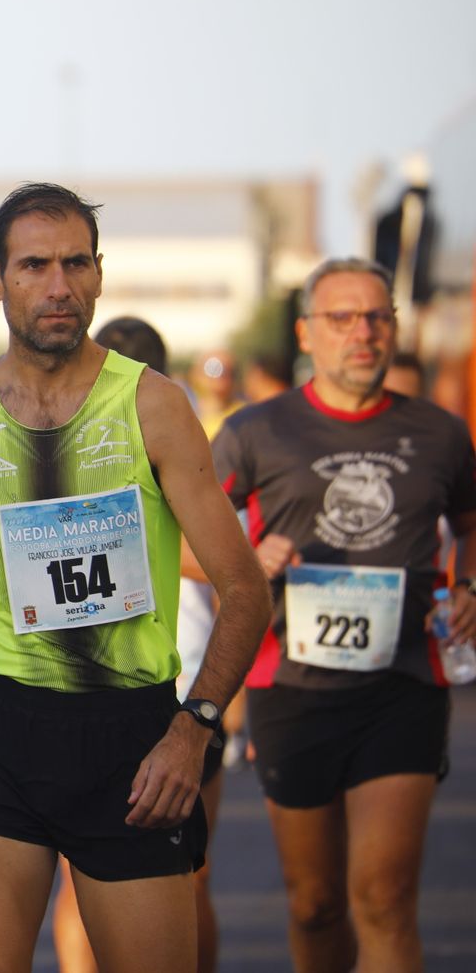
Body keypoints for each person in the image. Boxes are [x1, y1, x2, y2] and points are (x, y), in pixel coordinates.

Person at [0, 183, 271, 973]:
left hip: (131, 734)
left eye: (76, 264)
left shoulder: (153, 405)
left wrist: (193, 729)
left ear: (99, 274)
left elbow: (246, 589)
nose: (59, 286)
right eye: (34, 266)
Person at [212, 257, 476, 973]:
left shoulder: (441, 434)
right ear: (307, 333)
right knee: (315, 903)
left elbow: (469, 522)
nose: (363, 333)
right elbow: (179, 533)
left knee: (385, 898)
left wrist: (468, 587)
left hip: (403, 683)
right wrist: (246, 559)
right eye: (343, 318)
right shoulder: (255, 431)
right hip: (291, 688)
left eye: (377, 317)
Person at [51, 315, 228, 973]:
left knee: (93, 876)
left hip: (167, 687)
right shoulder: (173, 432)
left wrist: (129, 546)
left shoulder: (166, 435)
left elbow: (227, 569)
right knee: (183, 875)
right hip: (157, 687)